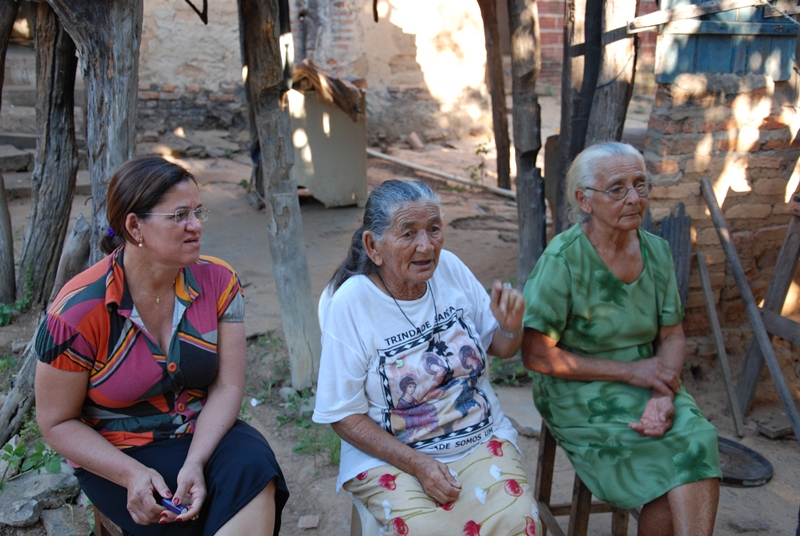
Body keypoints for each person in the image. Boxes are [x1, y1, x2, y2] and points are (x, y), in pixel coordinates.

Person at [34, 156, 289, 535]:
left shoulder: (218, 282)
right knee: (172, 521)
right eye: (179, 215)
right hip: (119, 454)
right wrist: (130, 474)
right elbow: (56, 422)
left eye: (198, 211)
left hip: (203, 433)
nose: (196, 225)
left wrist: (195, 462)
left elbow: (228, 386)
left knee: (252, 467)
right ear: (135, 226)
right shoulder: (77, 313)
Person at [313, 180, 541, 536]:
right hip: (395, 454)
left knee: (519, 521)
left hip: (479, 437)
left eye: (434, 229)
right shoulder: (351, 303)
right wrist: (418, 464)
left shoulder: (449, 269)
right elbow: (341, 414)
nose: (426, 246)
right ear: (373, 246)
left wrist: (510, 327)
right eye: (408, 233)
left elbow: (502, 348)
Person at [521, 142, 721, 536]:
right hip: (577, 387)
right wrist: (632, 373)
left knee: (698, 439)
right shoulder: (562, 260)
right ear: (585, 200)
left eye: (640, 185)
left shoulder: (658, 253)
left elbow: (672, 335)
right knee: (664, 462)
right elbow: (536, 355)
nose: (634, 199)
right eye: (617, 189)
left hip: (650, 378)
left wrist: (663, 396)